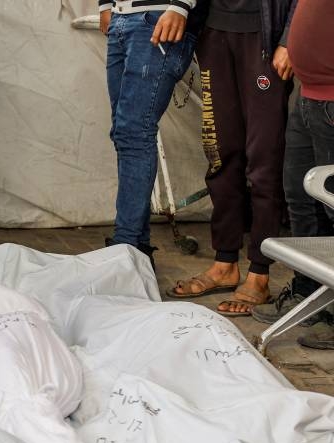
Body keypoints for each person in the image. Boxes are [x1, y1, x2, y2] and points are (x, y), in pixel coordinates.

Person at [166, 0, 294, 316]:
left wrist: (290, 39)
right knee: (220, 154)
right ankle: (225, 263)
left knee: (264, 161)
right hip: (215, 32)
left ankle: (259, 274)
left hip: (264, 38)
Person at [99, 0, 207, 269]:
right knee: (126, 134)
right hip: (124, 16)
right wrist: (106, 5)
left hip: (158, 15)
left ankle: (127, 246)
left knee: (135, 132)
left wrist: (181, 5)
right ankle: (136, 247)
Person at [253, 0, 334, 348]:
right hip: (307, 92)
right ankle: (307, 290)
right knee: (299, 197)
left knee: (332, 205)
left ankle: (332, 311)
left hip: (331, 97)